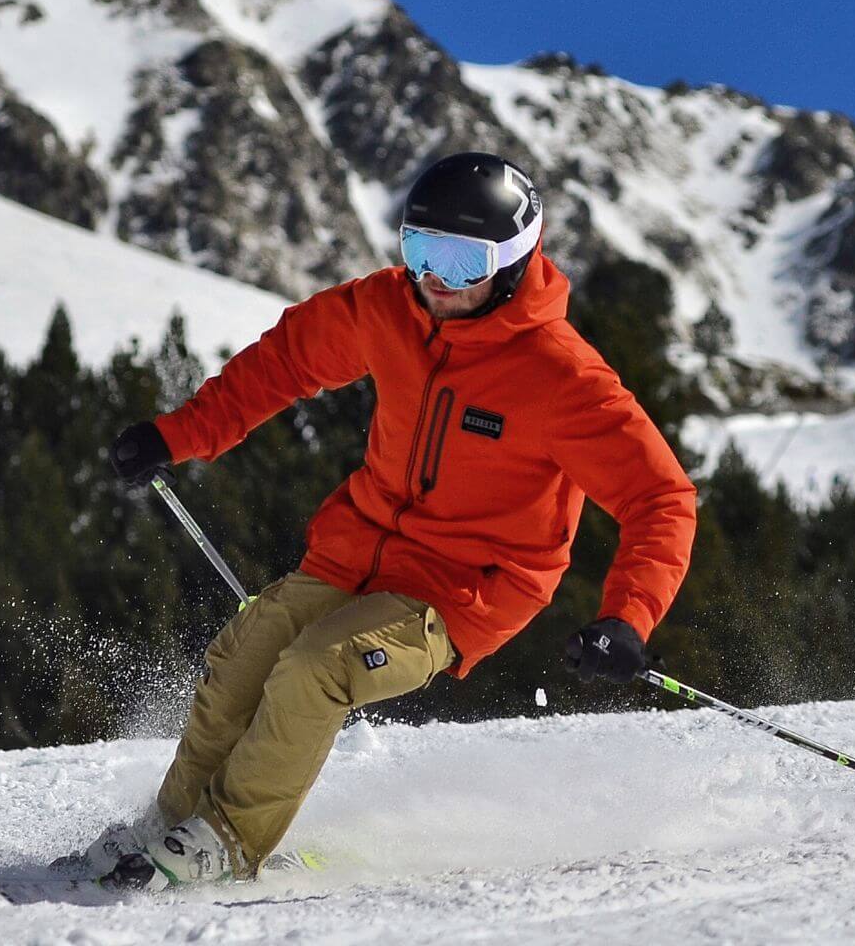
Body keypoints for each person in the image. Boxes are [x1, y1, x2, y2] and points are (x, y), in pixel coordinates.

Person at [80, 151, 697, 889]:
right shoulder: (387, 309)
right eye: (419, 250)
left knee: (316, 668)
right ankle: (171, 823)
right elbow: (285, 361)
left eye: (462, 262)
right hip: (357, 553)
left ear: (511, 263)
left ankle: (227, 842)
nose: (436, 278)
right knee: (246, 650)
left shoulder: (561, 377)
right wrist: (177, 435)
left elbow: (660, 499)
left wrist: (629, 617)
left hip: (464, 589)